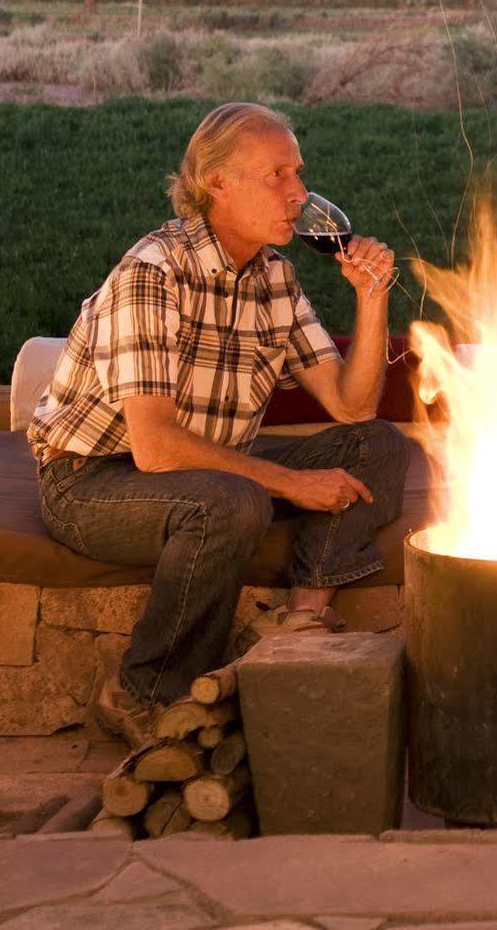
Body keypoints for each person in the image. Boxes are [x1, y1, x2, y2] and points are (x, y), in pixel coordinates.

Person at [30, 102, 417, 747]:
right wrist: (290, 485)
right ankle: (144, 692)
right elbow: (154, 450)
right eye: (277, 175)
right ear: (218, 184)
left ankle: (302, 620)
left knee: (376, 445)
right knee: (230, 503)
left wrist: (372, 297)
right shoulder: (152, 274)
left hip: (204, 467)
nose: (298, 193)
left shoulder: (274, 278)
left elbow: (352, 407)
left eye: (299, 174)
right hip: (92, 481)